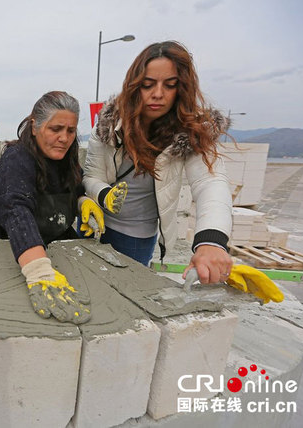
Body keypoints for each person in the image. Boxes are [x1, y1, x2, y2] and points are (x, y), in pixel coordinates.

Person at [83, 40, 233, 284]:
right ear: (134, 86)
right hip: (94, 224)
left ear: (182, 87)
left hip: (136, 236)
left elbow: (210, 182)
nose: (158, 94)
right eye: (148, 84)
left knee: (126, 295)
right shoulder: (108, 125)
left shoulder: (191, 132)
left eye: (170, 85)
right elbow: (92, 175)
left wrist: (211, 240)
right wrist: (103, 196)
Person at [0, 91, 105, 325]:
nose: (64, 138)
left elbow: (74, 184)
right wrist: (38, 270)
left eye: (70, 130)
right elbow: (17, 210)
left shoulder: (66, 154)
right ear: (35, 126)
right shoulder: (17, 158)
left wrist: (81, 201)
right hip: (7, 242)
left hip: (49, 237)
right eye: (55, 129)